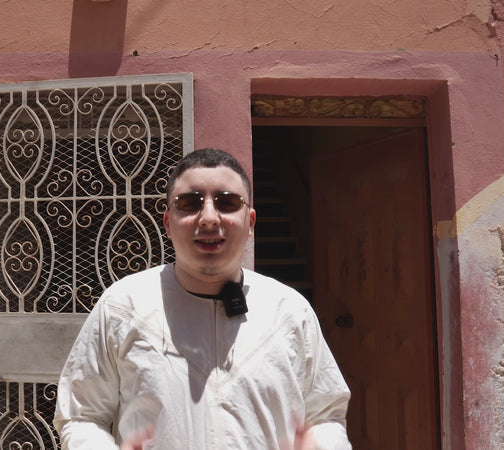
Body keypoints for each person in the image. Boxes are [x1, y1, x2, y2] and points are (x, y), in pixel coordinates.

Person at [54, 148, 351, 449]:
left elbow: (325, 416)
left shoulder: (290, 312)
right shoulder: (123, 306)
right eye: (190, 203)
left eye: (227, 202)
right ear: (168, 223)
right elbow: (81, 417)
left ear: (250, 222)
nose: (209, 218)